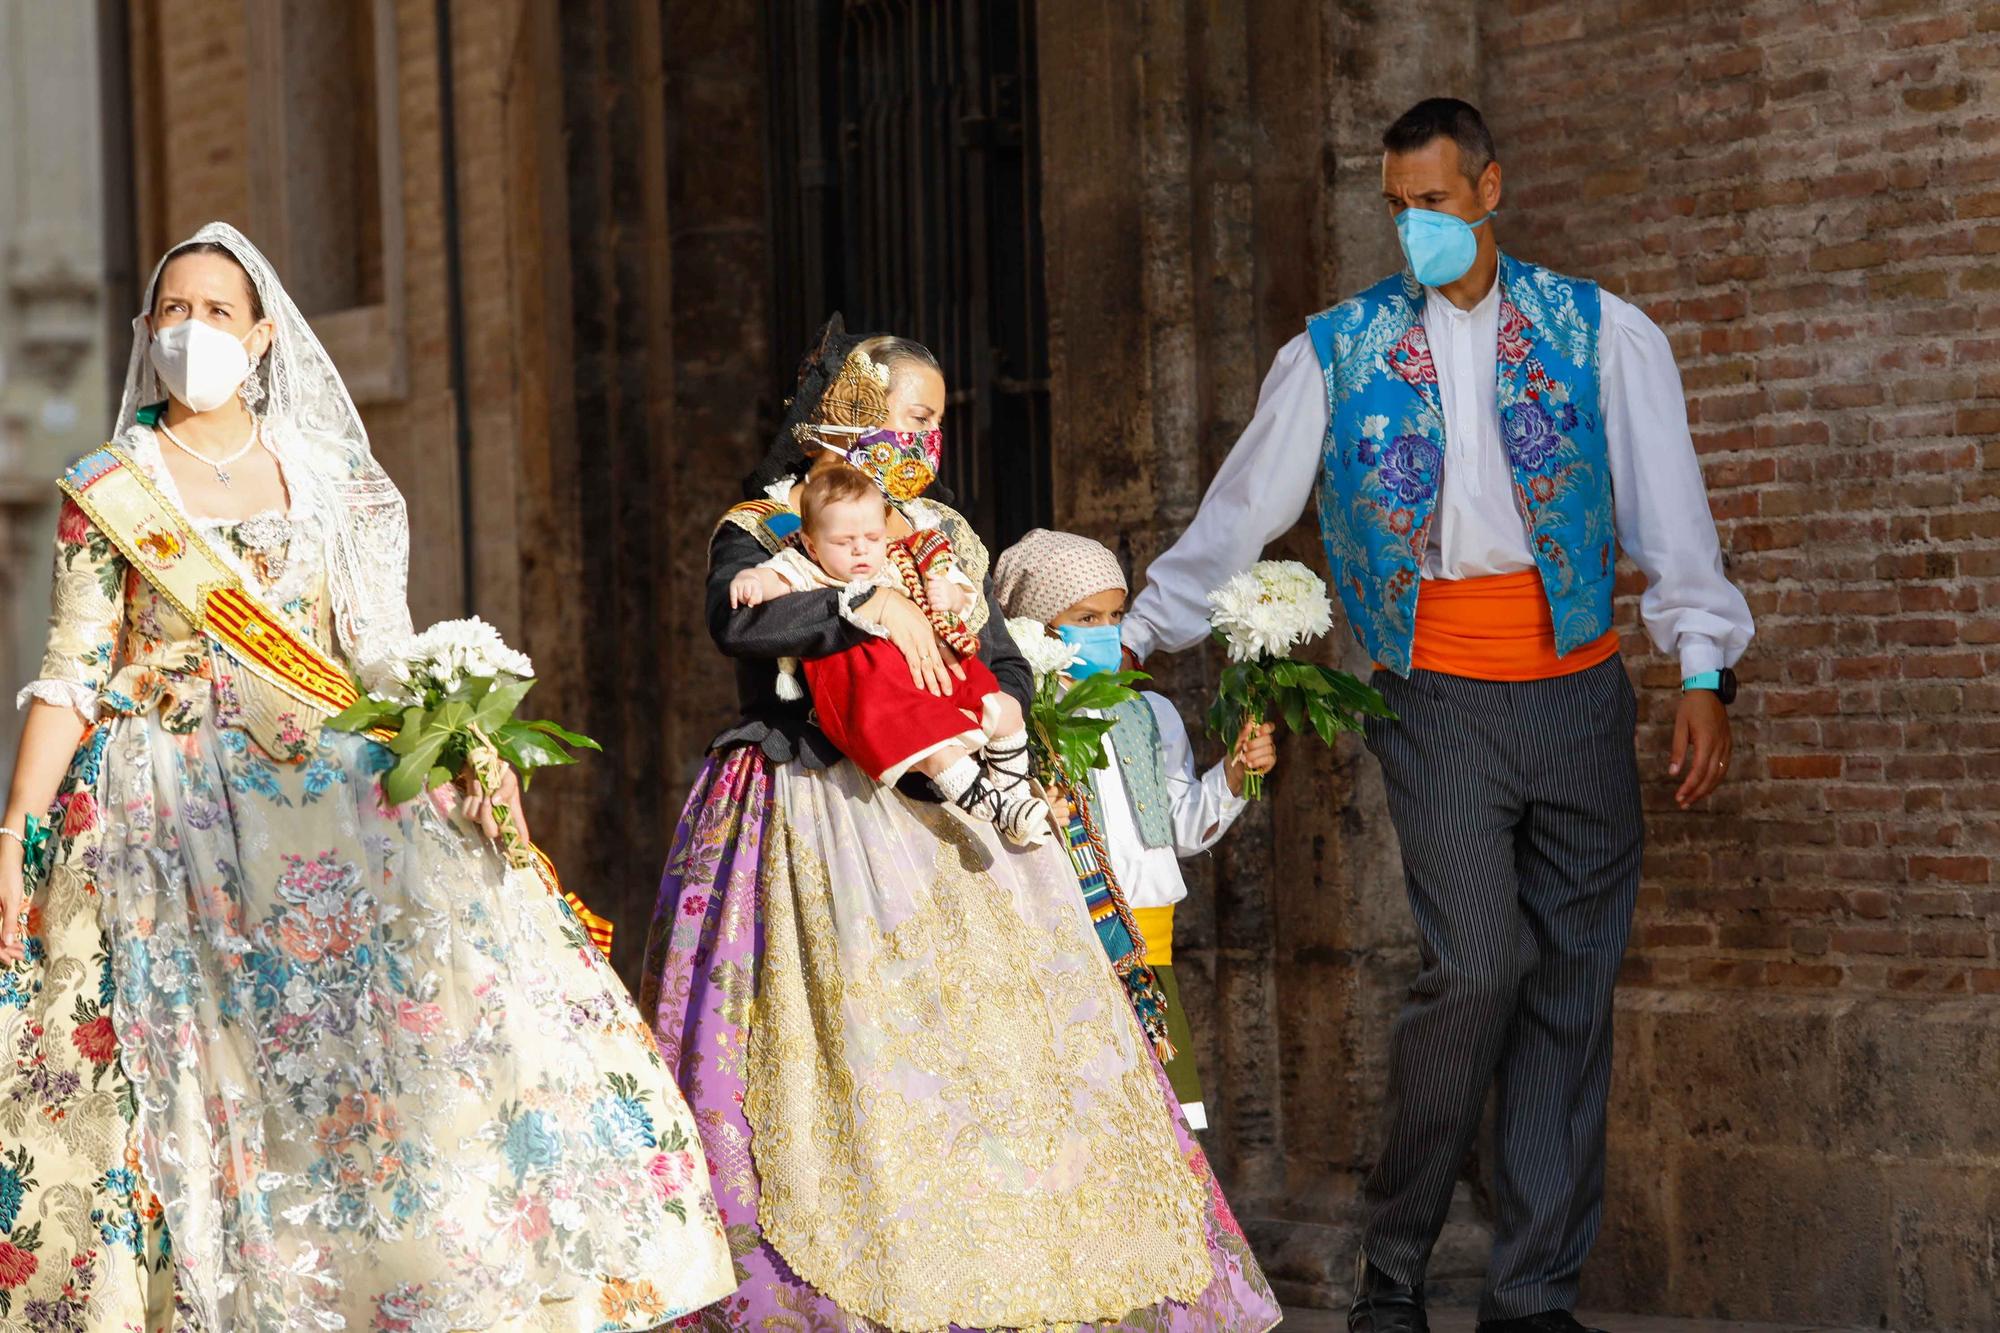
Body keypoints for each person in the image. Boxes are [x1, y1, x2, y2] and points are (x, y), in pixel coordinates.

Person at [0, 222, 735, 1330]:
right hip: (172, 810)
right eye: (173, 312)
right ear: (147, 333)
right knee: (210, 1066)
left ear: (261, 336)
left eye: (215, 311)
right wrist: (17, 829)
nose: (191, 331)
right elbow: (71, 668)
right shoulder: (112, 487)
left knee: (401, 1043)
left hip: (336, 797)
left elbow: (375, 646)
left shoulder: (327, 471)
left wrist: (460, 734)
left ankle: (409, 1285)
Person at [1119, 100, 1755, 1333]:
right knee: (1474, 968)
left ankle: (1530, 1296)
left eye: (1435, 202)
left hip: (1577, 689)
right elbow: (1238, 512)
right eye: (1396, 206)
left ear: (1489, 188)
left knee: (1570, 986)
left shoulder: (1602, 333)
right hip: (1429, 695)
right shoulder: (1333, 353)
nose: (1414, 226)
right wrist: (1130, 635)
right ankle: (1394, 1270)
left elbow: (1671, 511)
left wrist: (1701, 671)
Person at [640, 317, 1280, 1333]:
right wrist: (863, 606)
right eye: (914, 417)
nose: (928, 441)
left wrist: (1006, 705)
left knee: (992, 1046)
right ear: (852, 411)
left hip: (954, 816)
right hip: (819, 798)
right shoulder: (761, 522)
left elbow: (994, 650)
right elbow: (737, 620)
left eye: (937, 423)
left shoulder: (937, 530)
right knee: (846, 1045)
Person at [993, 528, 1277, 1131]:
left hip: (1147, 944)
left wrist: (1231, 776)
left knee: (1156, 1115)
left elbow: (1179, 832)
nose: (1106, 630)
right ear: (1036, 624)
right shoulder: (1015, 721)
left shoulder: (1151, 713)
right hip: (1058, 938)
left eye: (1116, 614)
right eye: (1085, 616)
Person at [729, 457, 1047, 842]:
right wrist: (752, 580)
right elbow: (770, 584)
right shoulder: (806, 568)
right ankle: (995, 807)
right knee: (937, 750)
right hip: (883, 695)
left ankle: (1013, 791)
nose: (861, 550)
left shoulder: (901, 559)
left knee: (1006, 709)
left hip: (937, 674)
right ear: (812, 545)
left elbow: (964, 599)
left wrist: (948, 594)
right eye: (844, 543)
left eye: (873, 539)